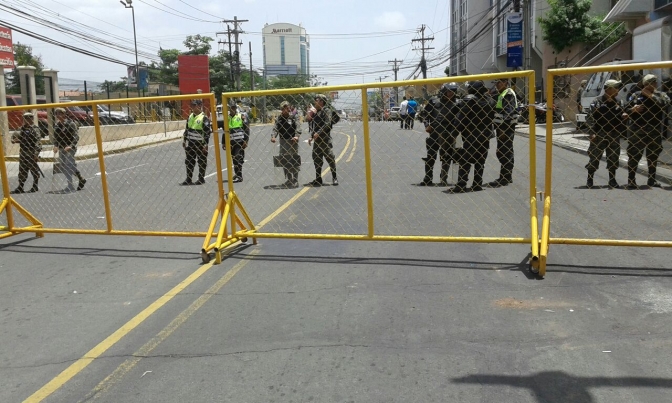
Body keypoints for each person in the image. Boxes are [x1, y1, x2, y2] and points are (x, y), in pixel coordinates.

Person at [625, 74, 671, 188]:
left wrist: (650, 96)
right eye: (646, 84)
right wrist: (633, 109)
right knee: (634, 155)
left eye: (651, 83)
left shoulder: (661, 95)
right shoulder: (636, 95)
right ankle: (631, 180)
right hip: (637, 129)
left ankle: (651, 179)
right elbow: (625, 109)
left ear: (655, 83)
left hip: (654, 129)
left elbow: (664, 105)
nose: (648, 85)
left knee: (653, 155)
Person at [448, 80, 495, 193]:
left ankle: (461, 184)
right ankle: (477, 184)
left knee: (465, 160)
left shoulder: (469, 99)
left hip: (472, 134)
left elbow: (461, 117)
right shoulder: (491, 100)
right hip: (486, 134)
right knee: (480, 160)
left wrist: (453, 133)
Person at [584, 79, 627, 189]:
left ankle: (612, 180)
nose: (617, 90)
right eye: (615, 87)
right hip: (599, 134)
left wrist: (624, 116)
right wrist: (592, 132)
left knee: (613, 157)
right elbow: (590, 117)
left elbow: (623, 115)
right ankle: (590, 179)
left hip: (614, 134)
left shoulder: (619, 102)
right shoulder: (597, 102)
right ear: (608, 89)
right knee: (594, 157)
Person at [419, 82, 461, 186]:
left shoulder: (457, 103)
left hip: (449, 133)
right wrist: (426, 125)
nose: (450, 94)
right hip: (434, 132)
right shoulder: (434, 101)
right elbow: (423, 114)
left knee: (447, 156)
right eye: (448, 91)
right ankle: (428, 178)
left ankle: (443, 179)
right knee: (430, 156)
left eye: (452, 91)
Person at [489, 77, 519, 187]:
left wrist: (503, 129)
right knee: (503, 152)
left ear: (505, 83)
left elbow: (508, 112)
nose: (497, 85)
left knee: (505, 152)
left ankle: (505, 177)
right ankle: (506, 176)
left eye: (499, 82)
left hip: (506, 128)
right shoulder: (502, 94)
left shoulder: (508, 94)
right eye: (496, 82)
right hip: (503, 128)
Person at [306, 93, 339, 186]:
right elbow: (314, 126)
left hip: (325, 140)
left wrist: (318, 133)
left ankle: (334, 177)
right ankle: (318, 179)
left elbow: (327, 123)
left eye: (317, 100)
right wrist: (312, 136)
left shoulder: (326, 111)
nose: (315, 101)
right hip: (317, 141)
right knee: (316, 159)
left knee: (330, 158)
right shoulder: (317, 112)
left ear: (321, 102)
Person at [53, 107, 85, 192]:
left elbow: (76, 136)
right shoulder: (57, 126)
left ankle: (70, 185)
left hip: (70, 148)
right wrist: (55, 146)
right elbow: (56, 138)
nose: (58, 115)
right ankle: (80, 178)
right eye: (56, 114)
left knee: (68, 165)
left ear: (64, 114)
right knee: (64, 166)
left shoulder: (71, 124)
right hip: (62, 148)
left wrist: (71, 145)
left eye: (60, 113)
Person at [180, 99, 212, 185]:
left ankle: (201, 178)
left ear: (199, 106)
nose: (192, 107)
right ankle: (188, 179)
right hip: (191, 143)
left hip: (200, 144)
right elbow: (187, 129)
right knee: (189, 161)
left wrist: (205, 144)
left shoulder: (204, 118)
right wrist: (184, 140)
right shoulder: (190, 116)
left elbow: (207, 132)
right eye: (192, 105)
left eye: (194, 105)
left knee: (201, 161)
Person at [271, 101, 302, 188]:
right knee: (284, 160)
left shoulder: (293, 117)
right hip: (283, 141)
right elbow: (275, 128)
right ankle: (289, 179)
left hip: (292, 141)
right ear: (282, 109)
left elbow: (298, 126)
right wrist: (273, 136)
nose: (288, 109)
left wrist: (296, 136)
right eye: (286, 107)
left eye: (289, 107)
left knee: (294, 159)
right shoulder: (279, 118)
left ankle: (295, 180)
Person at [10, 112, 42, 194]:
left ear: (32, 119)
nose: (27, 120)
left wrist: (36, 154)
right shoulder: (22, 129)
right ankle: (20, 186)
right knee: (22, 170)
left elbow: (38, 142)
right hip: (23, 152)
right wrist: (15, 140)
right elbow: (20, 138)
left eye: (29, 118)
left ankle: (35, 186)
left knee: (34, 170)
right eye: (25, 118)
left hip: (31, 151)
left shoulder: (35, 129)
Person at [225, 103, 249, 183]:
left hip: (239, 142)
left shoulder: (240, 117)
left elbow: (246, 129)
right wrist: (223, 142)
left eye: (234, 108)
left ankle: (239, 176)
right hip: (231, 143)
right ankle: (238, 173)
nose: (232, 109)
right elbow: (225, 131)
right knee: (234, 160)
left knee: (237, 158)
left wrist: (246, 141)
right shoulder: (227, 118)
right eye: (231, 108)